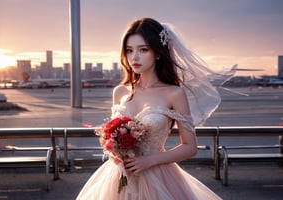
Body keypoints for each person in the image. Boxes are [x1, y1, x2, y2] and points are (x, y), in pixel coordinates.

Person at [76, 17, 228, 200]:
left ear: (157, 53)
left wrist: (150, 160)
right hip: (118, 176)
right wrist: (114, 152)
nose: (135, 57)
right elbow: (112, 136)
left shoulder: (174, 93)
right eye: (129, 50)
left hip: (158, 176)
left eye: (143, 49)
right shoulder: (120, 92)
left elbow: (190, 147)